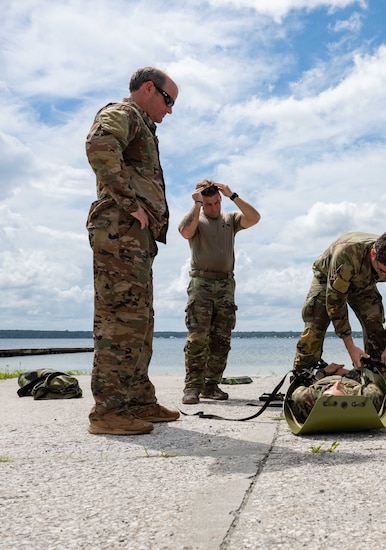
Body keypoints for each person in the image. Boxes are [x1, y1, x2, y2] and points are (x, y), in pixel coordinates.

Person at [85, 67, 180, 435]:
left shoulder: (142, 124)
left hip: (133, 238)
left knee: (140, 319)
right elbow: (99, 145)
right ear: (147, 89)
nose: (169, 111)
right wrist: (128, 202)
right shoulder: (123, 113)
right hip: (119, 231)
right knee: (120, 318)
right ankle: (108, 410)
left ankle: (138, 399)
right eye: (167, 100)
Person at [178, 179, 261, 404]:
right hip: (201, 283)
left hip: (225, 285)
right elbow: (185, 232)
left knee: (222, 338)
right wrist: (196, 205)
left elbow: (254, 218)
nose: (214, 208)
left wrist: (233, 195)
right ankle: (192, 388)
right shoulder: (196, 218)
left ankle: (211, 385)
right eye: (209, 204)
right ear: (201, 203)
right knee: (197, 338)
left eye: (217, 203)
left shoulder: (230, 219)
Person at [293, 231, 386, 375]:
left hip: (364, 285)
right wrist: (351, 348)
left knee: (375, 326)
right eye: (382, 271)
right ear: (373, 254)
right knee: (315, 327)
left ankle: (376, 380)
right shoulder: (346, 254)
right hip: (328, 279)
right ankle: (301, 377)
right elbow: (335, 303)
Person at [289, 362, 386, 423]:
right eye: (340, 388)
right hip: (349, 381)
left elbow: (298, 386)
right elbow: (372, 385)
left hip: (324, 380)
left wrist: (322, 373)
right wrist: (350, 373)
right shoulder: (365, 397)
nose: (337, 384)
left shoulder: (307, 398)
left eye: (332, 389)